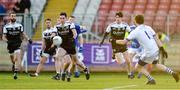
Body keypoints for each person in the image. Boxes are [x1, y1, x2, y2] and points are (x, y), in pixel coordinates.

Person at [116, 15, 179, 84]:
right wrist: (162, 49)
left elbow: (124, 42)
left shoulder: (135, 31)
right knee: (156, 65)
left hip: (148, 52)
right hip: (155, 49)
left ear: (135, 21)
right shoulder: (148, 27)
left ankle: (151, 79)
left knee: (138, 67)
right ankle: (172, 73)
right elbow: (156, 39)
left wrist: (113, 40)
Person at [53, 12, 90, 82]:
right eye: (60, 18)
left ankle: (85, 69)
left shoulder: (70, 24)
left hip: (71, 45)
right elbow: (53, 34)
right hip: (63, 46)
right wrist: (54, 38)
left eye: (63, 18)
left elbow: (75, 34)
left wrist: (73, 39)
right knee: (57, 57)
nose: (62, 19)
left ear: (66, 19)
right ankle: (59, 73)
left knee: (76, 62)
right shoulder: (57, 26)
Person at [100, 11, 134, 79]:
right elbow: (106, 33)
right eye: (116, 17)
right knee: (120, 62)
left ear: (122, 18)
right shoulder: (111, 25)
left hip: (122, 43)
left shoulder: (125, 25)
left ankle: (130, 74)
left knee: (128, 61)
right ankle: (114, 54)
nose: (117, 19)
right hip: (115, 44)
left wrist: (132, 40)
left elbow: (131, 33)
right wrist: (102, 41)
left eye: (119, 17)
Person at [2, 12, 32, 79]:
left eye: (14, 16)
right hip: (10, 44)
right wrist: (7, 41)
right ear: (10, 17)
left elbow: (23, 34)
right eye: (12, 16)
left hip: (17, 43)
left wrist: (28, 39)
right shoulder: (6, 26)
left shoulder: (19, 25)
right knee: (12, 58)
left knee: (17, 57)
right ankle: (13, 64)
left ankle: (15, 73)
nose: (13, 17)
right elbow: (3, 37)